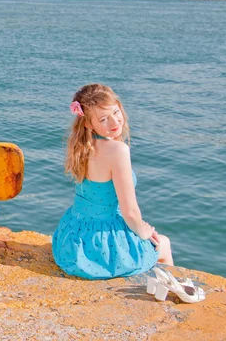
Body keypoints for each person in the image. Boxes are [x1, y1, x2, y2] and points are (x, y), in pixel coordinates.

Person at [52, 83, 173, 279]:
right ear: (89, 124)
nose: (114, 122)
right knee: (164, 244)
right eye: (103, 119)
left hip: (72, 239)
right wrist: (144, 231)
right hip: (99, 246)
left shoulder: (82, 146)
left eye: (116, 112)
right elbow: (130, 212)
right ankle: (170, 296)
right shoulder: (118, 150)